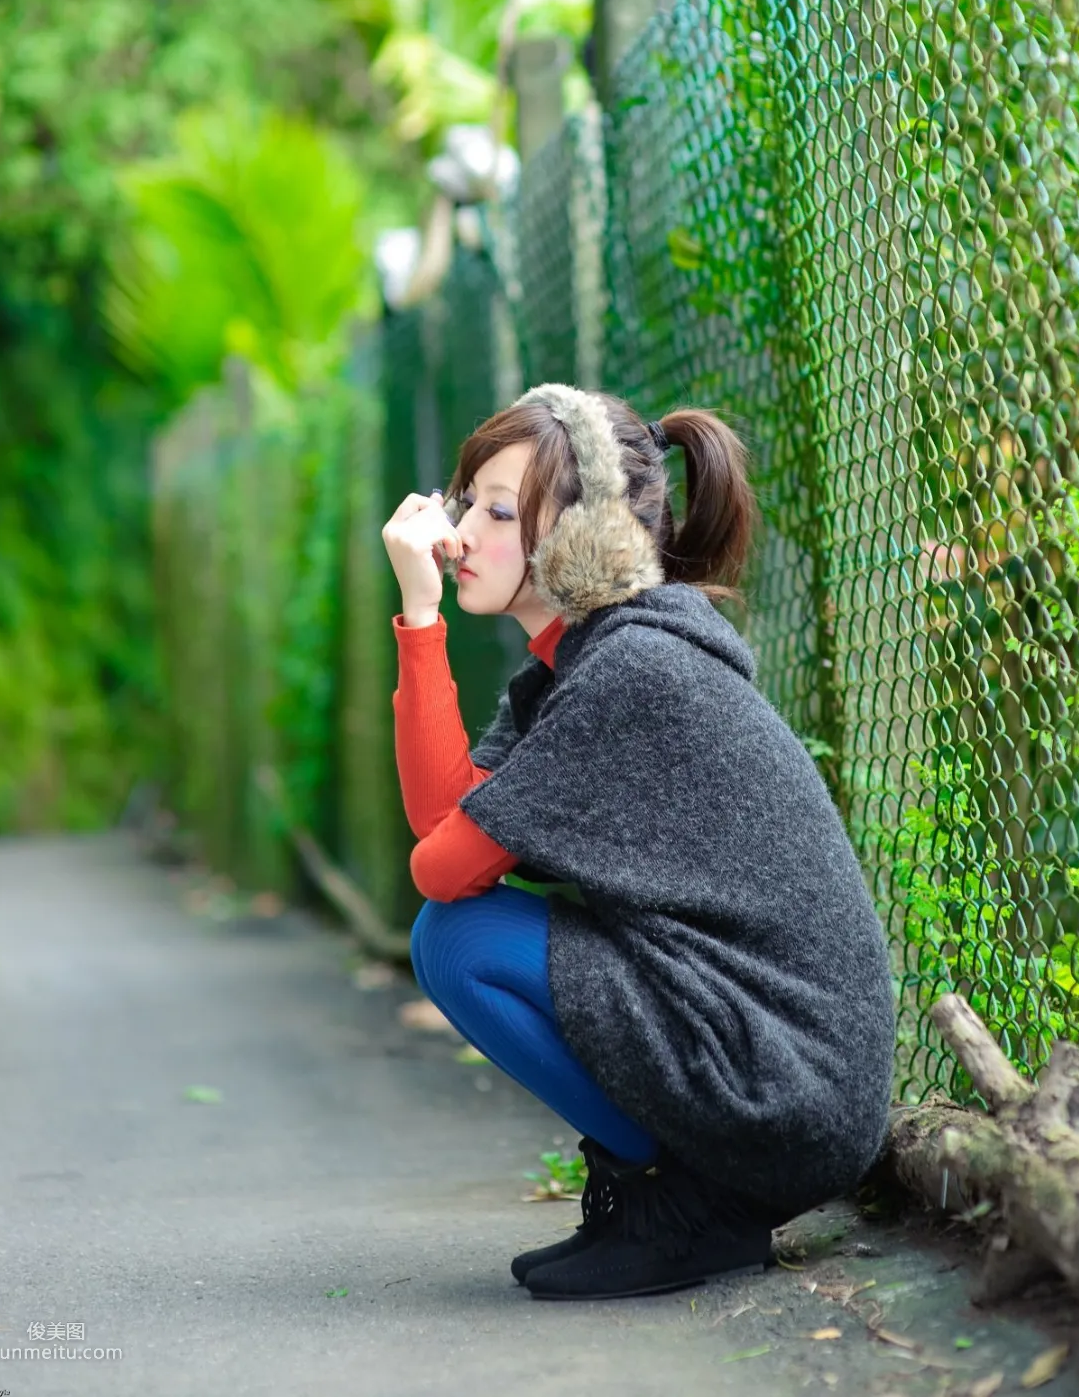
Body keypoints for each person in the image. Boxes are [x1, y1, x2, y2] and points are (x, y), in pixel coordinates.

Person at [381, 381, 896, 1302]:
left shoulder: (630, 671)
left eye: (499, 511)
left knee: (454, 939)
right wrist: (420, 617)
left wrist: (424, 614)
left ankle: (677, 1204)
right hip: (757, 1055)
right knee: (453, 928)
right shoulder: (575, 666)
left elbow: (442, 867)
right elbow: (441, 819)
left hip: (786, 1086)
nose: (460, 531)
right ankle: (661, 1195)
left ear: (583, 539)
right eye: (467, 500)